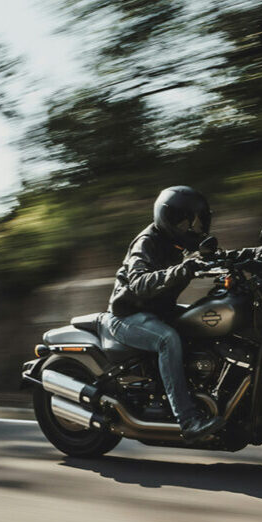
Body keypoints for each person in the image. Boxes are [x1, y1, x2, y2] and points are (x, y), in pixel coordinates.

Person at [104, 185, 225, 442]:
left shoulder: (178, 242)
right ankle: (188, 420)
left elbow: (211, 258)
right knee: (167, 339)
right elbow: (138, 282)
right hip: (127, 316)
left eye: (198, 222)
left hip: (159, 311)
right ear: (169, 219)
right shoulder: (147, 242)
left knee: (203, 321)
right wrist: (180, 270)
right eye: (187, 222)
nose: (194, 228)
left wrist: (249, 256)